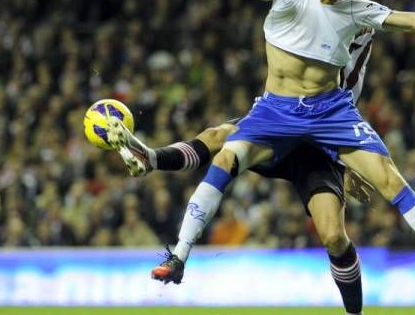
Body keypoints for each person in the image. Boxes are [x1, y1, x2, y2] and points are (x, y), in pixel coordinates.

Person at [112, 0, 415, 313]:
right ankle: (178, 255)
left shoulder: (359, 12)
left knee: (354, 214)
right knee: (223, 149)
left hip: (328, 116)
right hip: (276, 113)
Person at [109, 26, 377, 315]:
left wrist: (346, 156)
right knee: (218, 140)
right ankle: (174, 241)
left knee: (334, 237)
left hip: (318, 143)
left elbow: (346, 99)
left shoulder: (358, 22)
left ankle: (355, 314)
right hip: (277, 123)